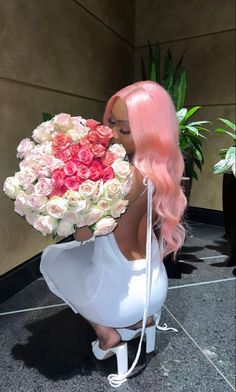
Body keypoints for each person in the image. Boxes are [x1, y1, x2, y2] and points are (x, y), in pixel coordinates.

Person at [40, 80, 187, 387]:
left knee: (52, 257)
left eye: (126, 129)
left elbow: (83, 236)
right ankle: (142, 322)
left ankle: (107, 334)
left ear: (150, 132)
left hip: (118, 297)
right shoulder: (163, 173)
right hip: (154, 290)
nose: (112, 134)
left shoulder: (125, 177)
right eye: (111, 123)